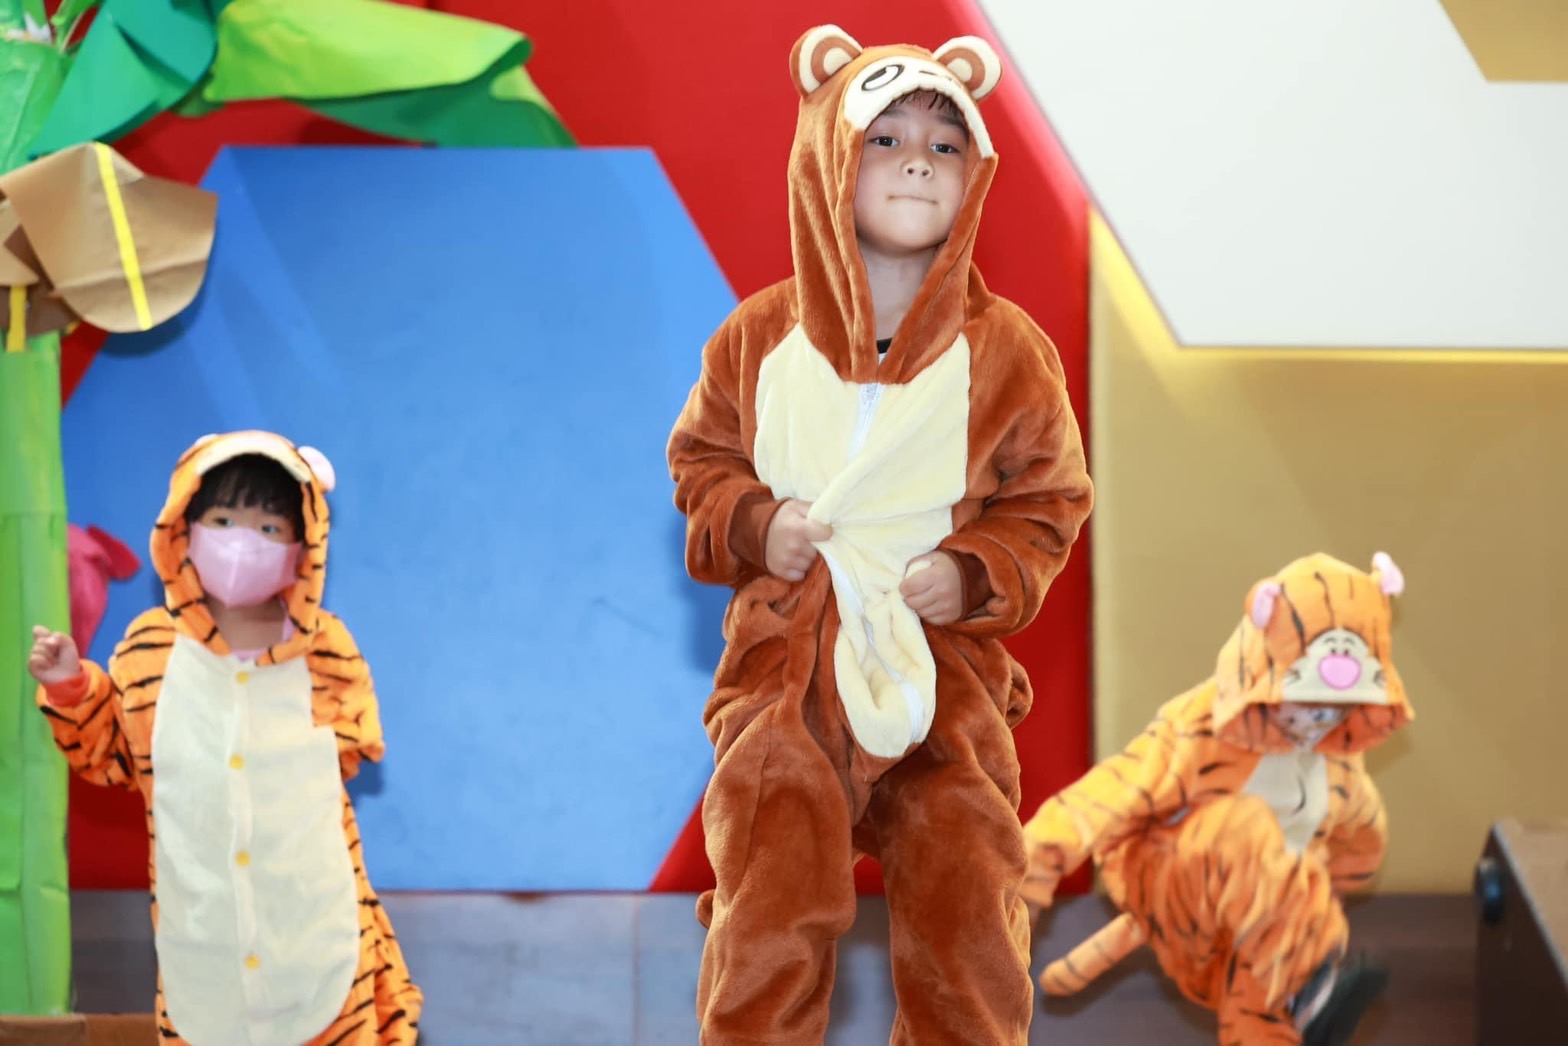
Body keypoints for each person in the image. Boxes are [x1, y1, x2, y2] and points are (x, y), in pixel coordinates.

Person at [666, 24, 1093, 1043]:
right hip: (785, 673)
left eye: (945, 145)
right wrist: (756, 524)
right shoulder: (758, 338)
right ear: (827, 160)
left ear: (975, 177)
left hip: (941, 674)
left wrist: (974, 570)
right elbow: (701, 463)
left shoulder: (1007, 352)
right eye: (885, 139)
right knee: (767, 903)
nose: (916, 162)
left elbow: (1048, 498)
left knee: (968, 896)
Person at [28, 430, 421, 1045]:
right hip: (203, 953)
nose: (243, 541)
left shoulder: (326, 650)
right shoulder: (151, 649)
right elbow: (113, 757)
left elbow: (349, 755)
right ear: (184, 529)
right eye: (223, 520)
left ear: (302, 546)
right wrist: (71, 686)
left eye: (269, 527)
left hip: (318, 948)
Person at [1023, 552, 1409, 1046]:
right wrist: (1030, 876)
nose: (1321, 720)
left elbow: (1361, 835)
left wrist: (1318, 899)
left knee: (1265, 1010)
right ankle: (1309, 986)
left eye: (1340, 707)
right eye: (1309, 699)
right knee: (1246, 826)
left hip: (1260, 934)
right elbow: (1104, 797)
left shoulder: (1337, 758)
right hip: (1181, 890)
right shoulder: (1199, 732)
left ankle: (1294, 1003)